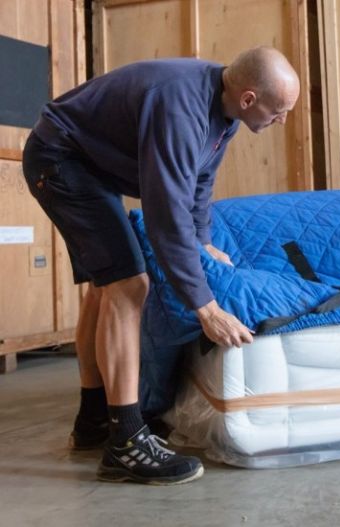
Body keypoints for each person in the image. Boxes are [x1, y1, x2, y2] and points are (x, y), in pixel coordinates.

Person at [22, 47, 300, 484]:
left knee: (105, 285)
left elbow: (199, 184)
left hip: (90, 167)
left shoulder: (222, 113)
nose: (283, 119)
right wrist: (205, 308)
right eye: (280, 109)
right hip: (61, 160)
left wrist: (205, 243)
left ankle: (95, 420)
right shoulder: (180, 108)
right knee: (128, 285)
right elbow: (167, 219)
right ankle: (126, 444)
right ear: (249, 98)